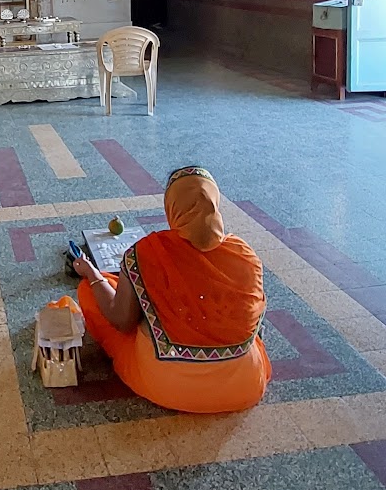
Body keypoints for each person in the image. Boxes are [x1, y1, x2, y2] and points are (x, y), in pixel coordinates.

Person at [71, 166, 271, 414]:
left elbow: (121, 321)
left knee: (92, 292)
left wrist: (91, 274)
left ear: (172, 207)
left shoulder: (146, 253)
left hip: (168, 386)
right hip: (243, 386)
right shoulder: (244, 254)